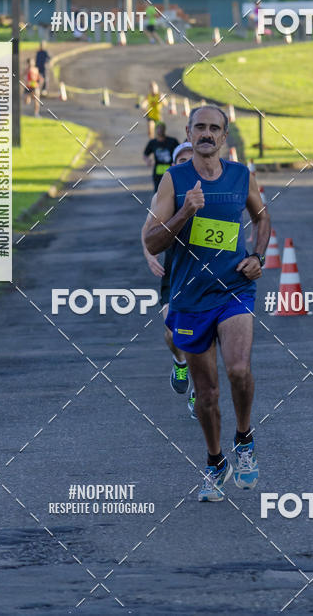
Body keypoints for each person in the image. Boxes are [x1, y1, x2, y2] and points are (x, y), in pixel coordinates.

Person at [145, 106, 271, 502]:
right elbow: (151, 241)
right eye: (200, 127)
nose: (206, 134)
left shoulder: (240, 175)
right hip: (189, 297)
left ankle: (245, 439)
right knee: (208, 393)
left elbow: (263, 218)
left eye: (214, 128)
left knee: (238, 368)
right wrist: (186, 210)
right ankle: (216, 461)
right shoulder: (175, 180)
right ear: (188, 131)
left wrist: (257, 256)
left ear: (224, 136)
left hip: (233, 290)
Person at [141, 142, 197, 418]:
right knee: (172, 329)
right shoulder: (166, 193)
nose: (187, 163)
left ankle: (199, 389)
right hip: (175, 270)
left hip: (206, 273)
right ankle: (179, 362)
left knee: (206, 332)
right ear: (175, 165)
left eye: (192, 158)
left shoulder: (212, 189)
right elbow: (147, 229)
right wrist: (149, 255)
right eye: (182, 160)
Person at [143, 123, 179, 191]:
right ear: (155, 130)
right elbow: (145, 154)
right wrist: (147, 160)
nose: (160, 130)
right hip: (158, 171)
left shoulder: (172, 141)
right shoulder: (152, 142)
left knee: (172, 190)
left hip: (171, 169)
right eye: (158, 128)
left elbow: (179, 151)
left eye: (161, 128)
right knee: (158, 191)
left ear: (164, 129)